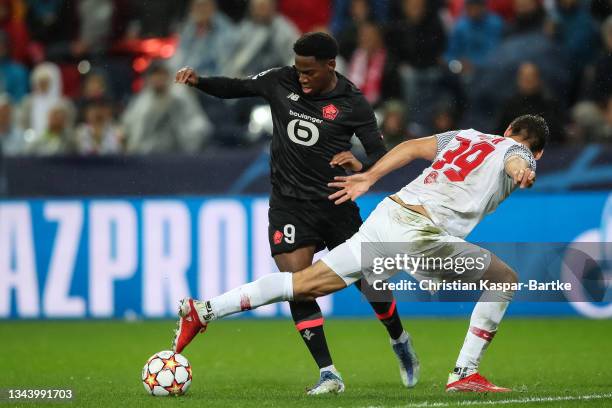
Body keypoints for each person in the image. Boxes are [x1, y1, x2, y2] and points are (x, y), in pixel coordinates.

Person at [172, 113, 547, 393]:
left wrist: (369, 176)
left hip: (389, 214)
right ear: (538, 149)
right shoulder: (517, 151)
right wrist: (523, 170)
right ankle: (464, 373)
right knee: (504, 279)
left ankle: (204, 310)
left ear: (508, 127)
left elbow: (410, 147)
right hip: (420, 235)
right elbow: (520, 160)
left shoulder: (465, 136)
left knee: (306, 284)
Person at [174, 32, 414, 394]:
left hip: (335, 204)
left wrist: (361, 165)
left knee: (371, 281)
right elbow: (235, 88)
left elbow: (381, 156)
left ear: (330, 66)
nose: (300, 76)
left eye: (309, 71)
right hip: (289, 205)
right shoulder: (280, 80)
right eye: (298, 69)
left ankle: (399, 338)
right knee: (297, 285)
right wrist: (200, 81)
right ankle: (328, 373)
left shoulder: (353, 103)